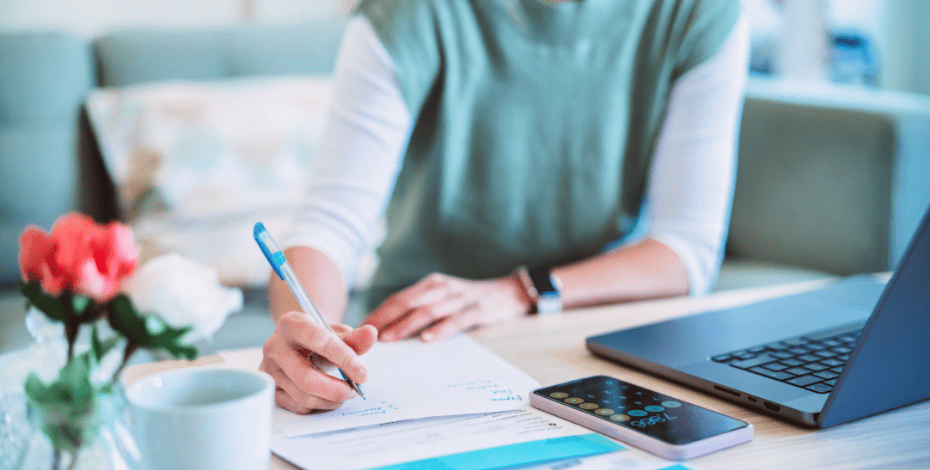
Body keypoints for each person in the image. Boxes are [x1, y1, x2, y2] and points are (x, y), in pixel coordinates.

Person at [260, 0, 749, 414]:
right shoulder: (410, 11)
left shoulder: (700, 11)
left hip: (600, 327)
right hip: (420, 335)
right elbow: (330, 220)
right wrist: (311, 338)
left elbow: (687, 249)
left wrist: (519, 291)